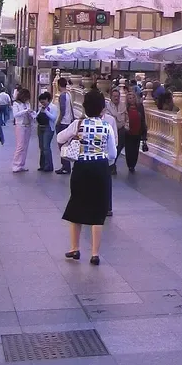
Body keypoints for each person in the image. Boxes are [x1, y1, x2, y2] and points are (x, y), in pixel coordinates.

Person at [56, 89, 117, 265]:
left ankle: (75, 248)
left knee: (77, 204)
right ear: (102, 108)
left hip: (81, 167)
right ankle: (95, 253)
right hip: (100, 168)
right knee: (99, 209)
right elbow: (112, 153)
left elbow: (60, 137)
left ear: (84, 106)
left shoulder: (78, 124)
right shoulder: (106, 127)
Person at [105, 87, 128, 175]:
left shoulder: (123, 106)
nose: (116, 98)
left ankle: (113, 164)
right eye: (114, 96)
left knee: (119, 147)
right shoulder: (107, 106)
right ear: (111, 97)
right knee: (112, 147)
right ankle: (112, 165)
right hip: (111, 130)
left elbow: (125, 117)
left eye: (117, 96)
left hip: (121, 130)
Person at [54, 78, 75, 175]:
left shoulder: (62, 96)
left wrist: (58, 122)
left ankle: (65, 166)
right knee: (66, 144)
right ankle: (66, 166)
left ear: (58, 85)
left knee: (62, 144)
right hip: (68, 121)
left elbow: (62, 110)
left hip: (63, 122)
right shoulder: (69, 94)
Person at [124, 90, 148, 173]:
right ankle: (129, 165)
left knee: (135, 150)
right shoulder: (125, 108)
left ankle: (133, 165)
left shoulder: (140, 106)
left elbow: (143, 120)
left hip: (138, 131)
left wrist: (144, 134)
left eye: (133, 97)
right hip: (128, 132)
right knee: (129, 150)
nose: (132, 99)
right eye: (130, 98)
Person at [11, 88, 34, 173]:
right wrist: (25, 111)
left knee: (25, 146)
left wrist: (32, 114)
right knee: (20, 146)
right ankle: (15, 165)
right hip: (20, 125)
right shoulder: (16, 104)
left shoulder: (27, 104)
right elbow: (15, 114)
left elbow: (29, 113)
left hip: (28, 125)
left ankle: (21, 164)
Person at [35, 92, 58, 172]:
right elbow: (37, 115)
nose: (42, 104)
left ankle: (49, 166)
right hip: (40, 127)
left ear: (47, 100)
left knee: (46, 146)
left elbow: (54, 118)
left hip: (48, 128)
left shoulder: (53, 107)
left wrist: (46, 112)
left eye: (43, 102)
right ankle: (42, 165)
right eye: (41, 102)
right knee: (41, 147)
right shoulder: (41, 107)